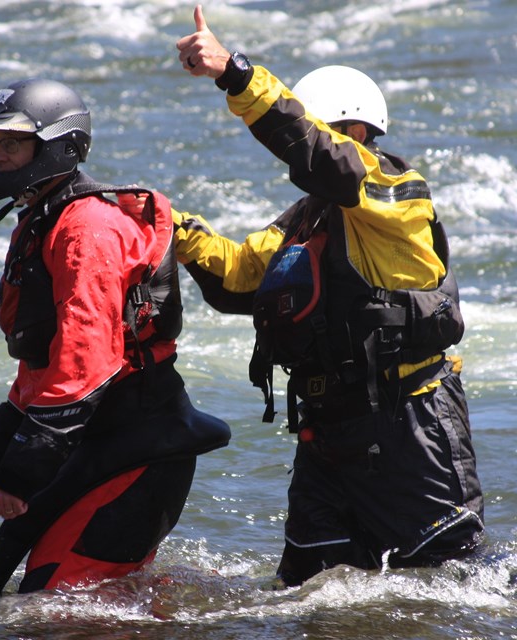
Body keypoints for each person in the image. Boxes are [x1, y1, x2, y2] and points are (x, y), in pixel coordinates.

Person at [173, 5, 484, 587]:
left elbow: (320, 154)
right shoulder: (305, 220)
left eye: (322, 131)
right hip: (327, 435)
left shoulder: (396, 191)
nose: (306, 146)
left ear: (358, 134)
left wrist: (234, 74)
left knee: (451, 590)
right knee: (308, 593)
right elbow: (241, 275)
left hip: (409, 425)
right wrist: (175, 229)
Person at [0, 77, 230, 600]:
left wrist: (21, 472)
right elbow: (45, 366)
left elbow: (85, 368)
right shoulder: (43, 220)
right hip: (93, 442)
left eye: (13, 142)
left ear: (58, 145)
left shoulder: (88, 230)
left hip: (138, 448)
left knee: (58, 608)